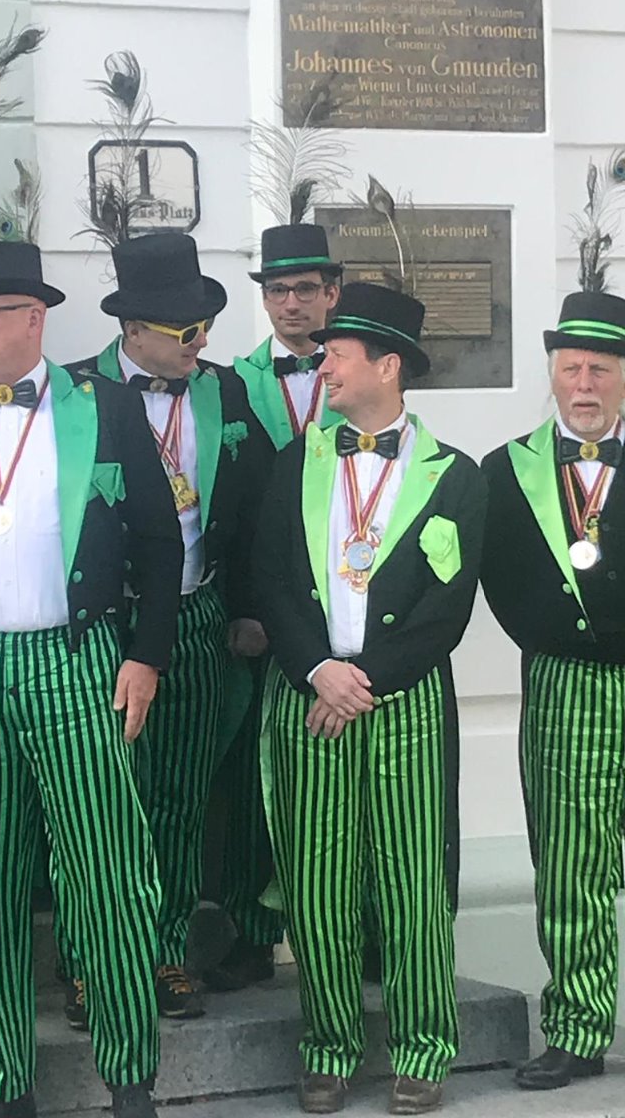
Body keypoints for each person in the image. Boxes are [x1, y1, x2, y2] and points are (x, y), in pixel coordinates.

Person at [0, 240, 182, 1117]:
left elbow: (160, 543)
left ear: (34, 319)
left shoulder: (107, 408)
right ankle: (0, 1081)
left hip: (77, 661)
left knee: (109, 875)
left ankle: (130, 1077)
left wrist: (146, 655)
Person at [254, 282, 486, 1115]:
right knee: (318, 881)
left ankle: (424, 1047)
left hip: (403, 699)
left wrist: (366, 681)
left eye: (339, 356)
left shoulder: (456, 477)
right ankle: (329, 1044)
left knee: (413, 880)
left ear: (387, 366)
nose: (325, 368)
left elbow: (445, 611)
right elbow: (271, 579)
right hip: (312, 694)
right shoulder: (299, 461)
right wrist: (318, 668)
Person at [67, 232, 270, 1021]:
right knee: (101, 801)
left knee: (181, 797)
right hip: (105, 629)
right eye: (186, 331)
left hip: (197, 616)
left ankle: (164, 952)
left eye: (205, 327)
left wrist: (247, 606)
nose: (201, 343)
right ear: (133, 329)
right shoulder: (75, 394)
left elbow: (254, 510)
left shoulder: (226, 393)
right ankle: (94, 963)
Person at [481, 290, 625, 1091]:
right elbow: (502, 584)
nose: (584, 385)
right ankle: (577, 1030)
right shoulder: (507, 470)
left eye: (600, 369)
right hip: (565, 683)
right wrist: (568, 641)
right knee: (571, 864)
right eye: (571, 368)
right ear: (552, 373)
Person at [210, 222, 343, 991]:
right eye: (278, 291)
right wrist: (245, 607)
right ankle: (251, 932)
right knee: (249, 779)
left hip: (347, 603)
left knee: (346, 770)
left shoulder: (365, 371)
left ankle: (357, 929)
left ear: (332, 293)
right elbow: (227, 509)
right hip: (261, 606)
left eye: (305, 289)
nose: (291, 304)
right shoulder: (231, 383)